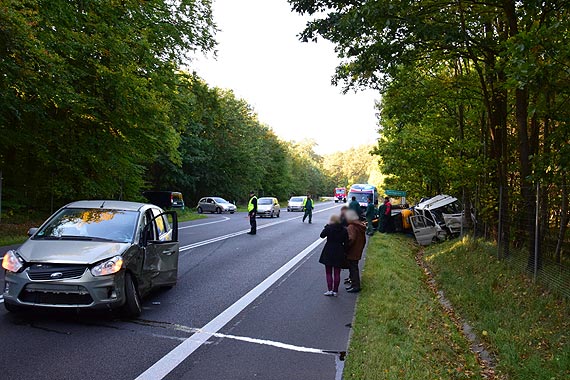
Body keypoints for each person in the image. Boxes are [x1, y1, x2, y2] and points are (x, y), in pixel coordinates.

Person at [319, 214, 348, 296]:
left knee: (328, 272)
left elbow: (321, 235)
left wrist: (326, 227)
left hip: (328, 250)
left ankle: (329, 290)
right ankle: (335, 291)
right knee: (337, 272)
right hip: (339, 250)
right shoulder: (344, 230)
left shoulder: (329, 228)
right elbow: (346, 243)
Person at [345, 209, 366, 293]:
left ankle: (355, 286)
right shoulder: (359, 226)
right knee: (354, 268)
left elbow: (351, 239)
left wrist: (346, 246)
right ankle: (354, 285)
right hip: (358, 249)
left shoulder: (351, 227)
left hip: (353, 251)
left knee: (353, 269)